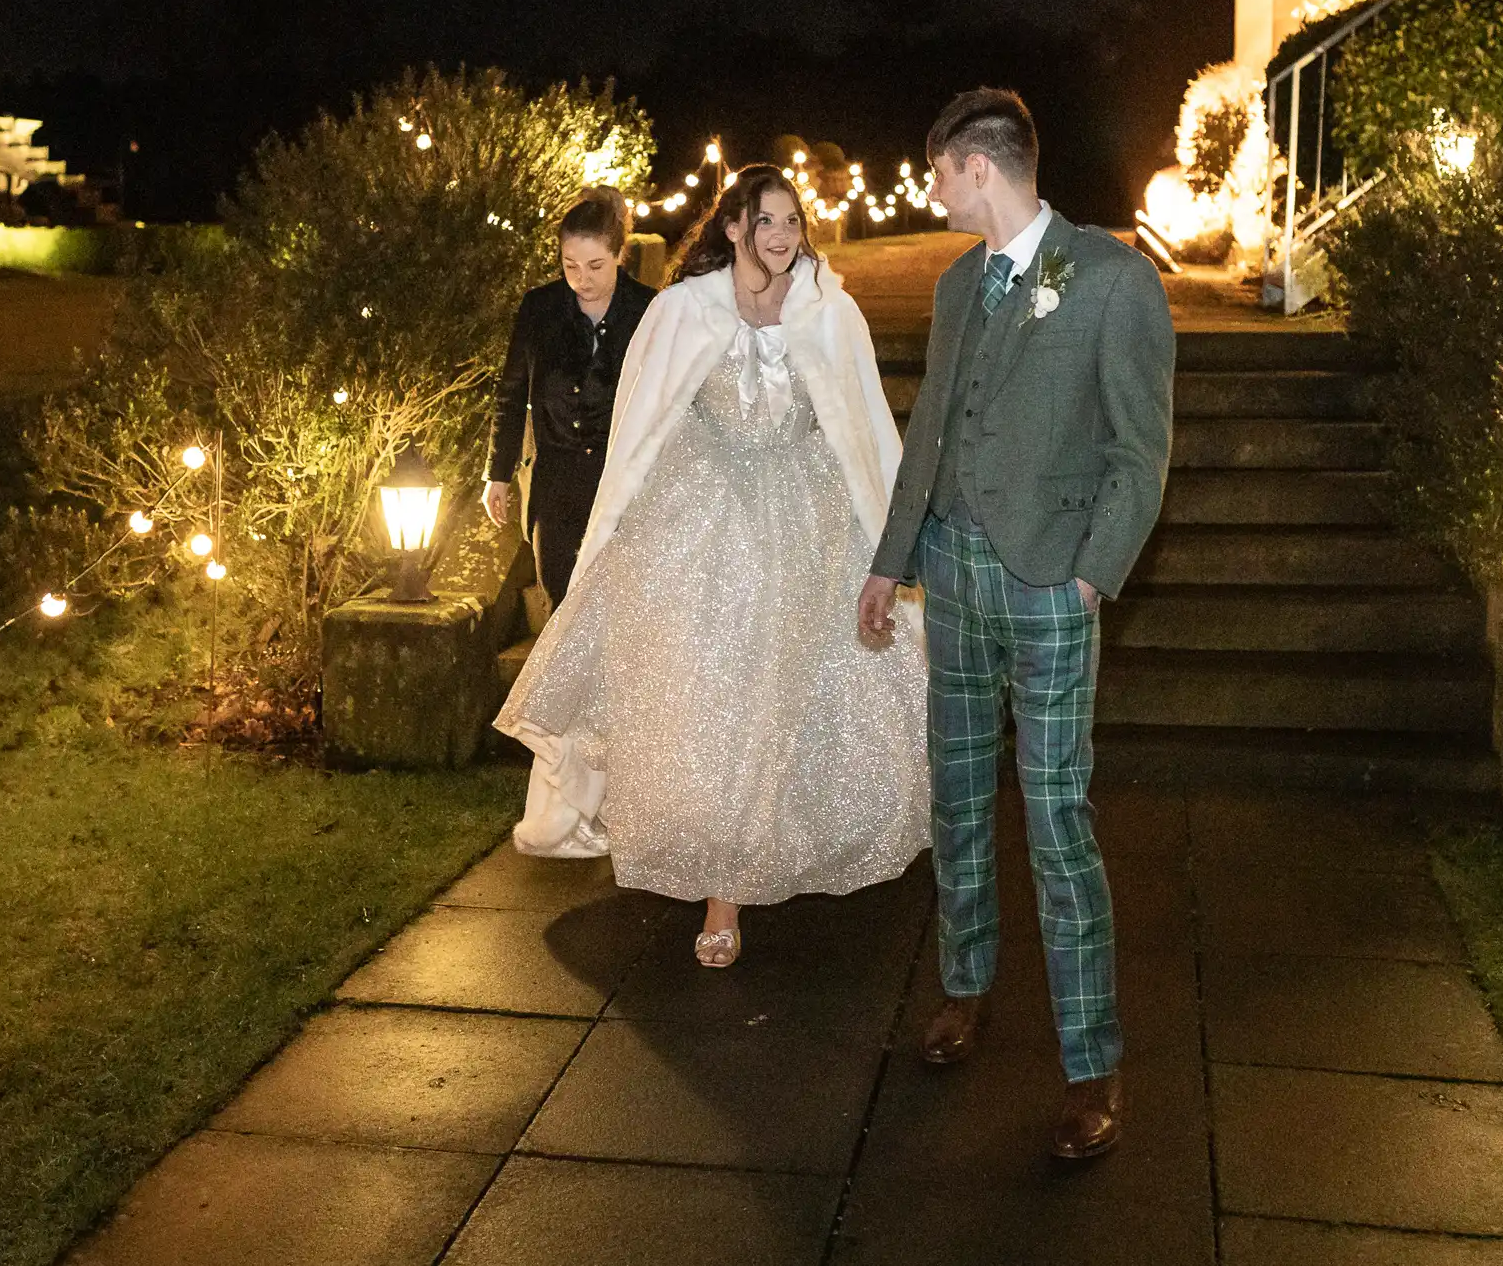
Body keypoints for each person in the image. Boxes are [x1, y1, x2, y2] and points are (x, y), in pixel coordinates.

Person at [497, 164, 930, 966]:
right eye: (766, 221)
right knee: (721, 698)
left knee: (791, 695)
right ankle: (723, 894)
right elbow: (645, 423)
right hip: (711, 526)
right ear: (733, 227)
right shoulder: (683, 311)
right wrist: (623, 527)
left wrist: (889, 534)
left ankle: (781, 847)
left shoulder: (829, 310)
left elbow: (861, 420)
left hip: (808, 521)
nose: (781, 236)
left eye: (792, 222)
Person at [858, 88, 1174, 1159]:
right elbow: (928, 435)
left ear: (977, 168)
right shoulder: (955, 289)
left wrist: (1091, 575)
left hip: (1049, 586)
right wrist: (888, 561)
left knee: (1054, 822)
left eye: (937, 173)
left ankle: (1090, 1062)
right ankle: (963, 988)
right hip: (948, 569)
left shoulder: (1113, 282)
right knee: (955, 797)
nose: (931, 188)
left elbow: (1141, 452)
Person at [484, 186, 657, 607]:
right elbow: (510, 394)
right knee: (560, 603)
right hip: (555, 483)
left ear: (619, 254)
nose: (583, 279)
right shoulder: (539, 308)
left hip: (623, 481)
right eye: (570, 266)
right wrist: (498, 473)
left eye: (596, 265)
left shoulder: (650, 310)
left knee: (620, 607)